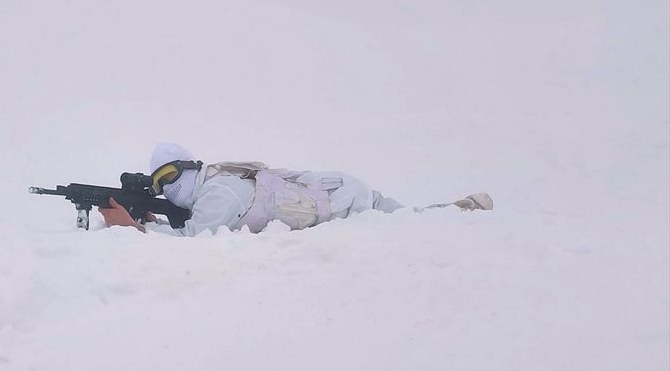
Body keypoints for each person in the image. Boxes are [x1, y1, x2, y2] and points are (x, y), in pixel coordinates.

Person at [99, 143, 492, 236]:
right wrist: (152, 221)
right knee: (408, 220)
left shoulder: (218, 192)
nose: (167, 188)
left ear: (190, 168)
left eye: (170, 176)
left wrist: (132, 230)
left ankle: (462, 213)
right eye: (158, 184)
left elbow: (196, 242)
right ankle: (463, 209)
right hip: (334, 189)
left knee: (406, 228)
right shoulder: (214, 187)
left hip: (338, 200)